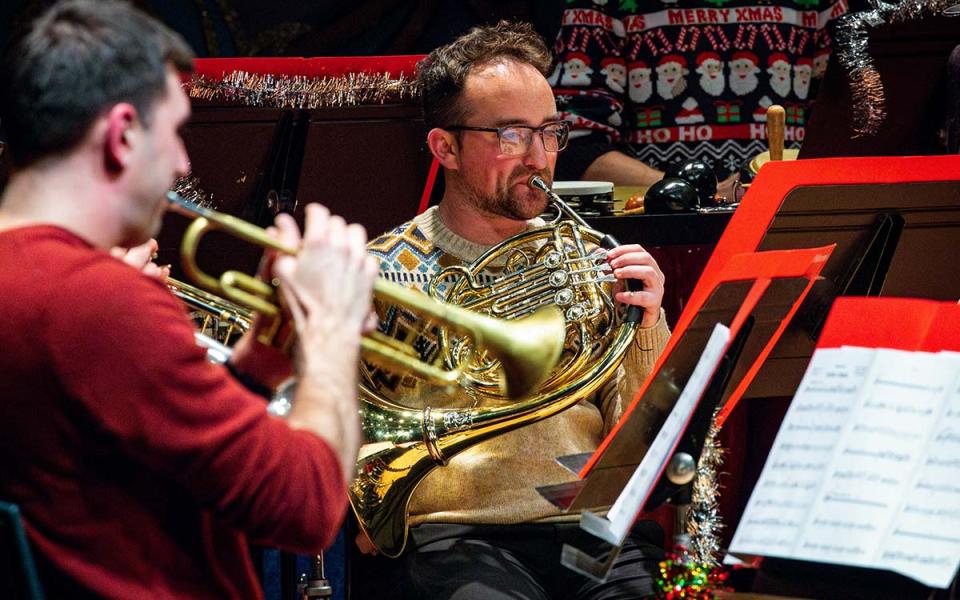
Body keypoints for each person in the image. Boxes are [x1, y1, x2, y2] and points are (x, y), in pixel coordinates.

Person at [0, 1, 377, 598]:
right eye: (175, 133)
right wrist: (331, 332)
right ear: (122, 133)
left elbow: (152, 466)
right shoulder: (101, 299)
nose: (181, 163)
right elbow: (306, 510)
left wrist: (261, 364)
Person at [354, 21, 672, 600]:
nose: (538, 158)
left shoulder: (592, 259)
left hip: (587, 530)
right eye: (510, 135)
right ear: (444, 147)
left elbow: (645, 445)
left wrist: (648, 326)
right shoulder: (380, 271)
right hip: (455, 537)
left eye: (549, 133)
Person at [549, 1, 850, 198]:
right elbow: (569, 147)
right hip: (662, 235)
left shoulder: (820, 4)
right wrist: (694, 192)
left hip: (792, 223)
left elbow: (853, 132)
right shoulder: (602, 5)